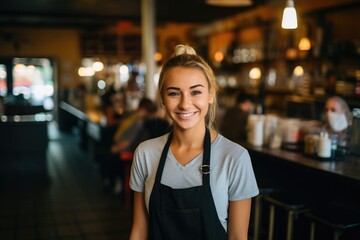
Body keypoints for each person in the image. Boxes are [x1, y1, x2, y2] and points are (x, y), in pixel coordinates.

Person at [129, 44, 259, 240]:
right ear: (163, 98)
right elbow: (139, 231)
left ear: (211, 94)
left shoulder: (235, 157)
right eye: (174, 93)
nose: (184, 103)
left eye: (195, 92)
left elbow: (238, 236)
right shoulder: (145, 153)